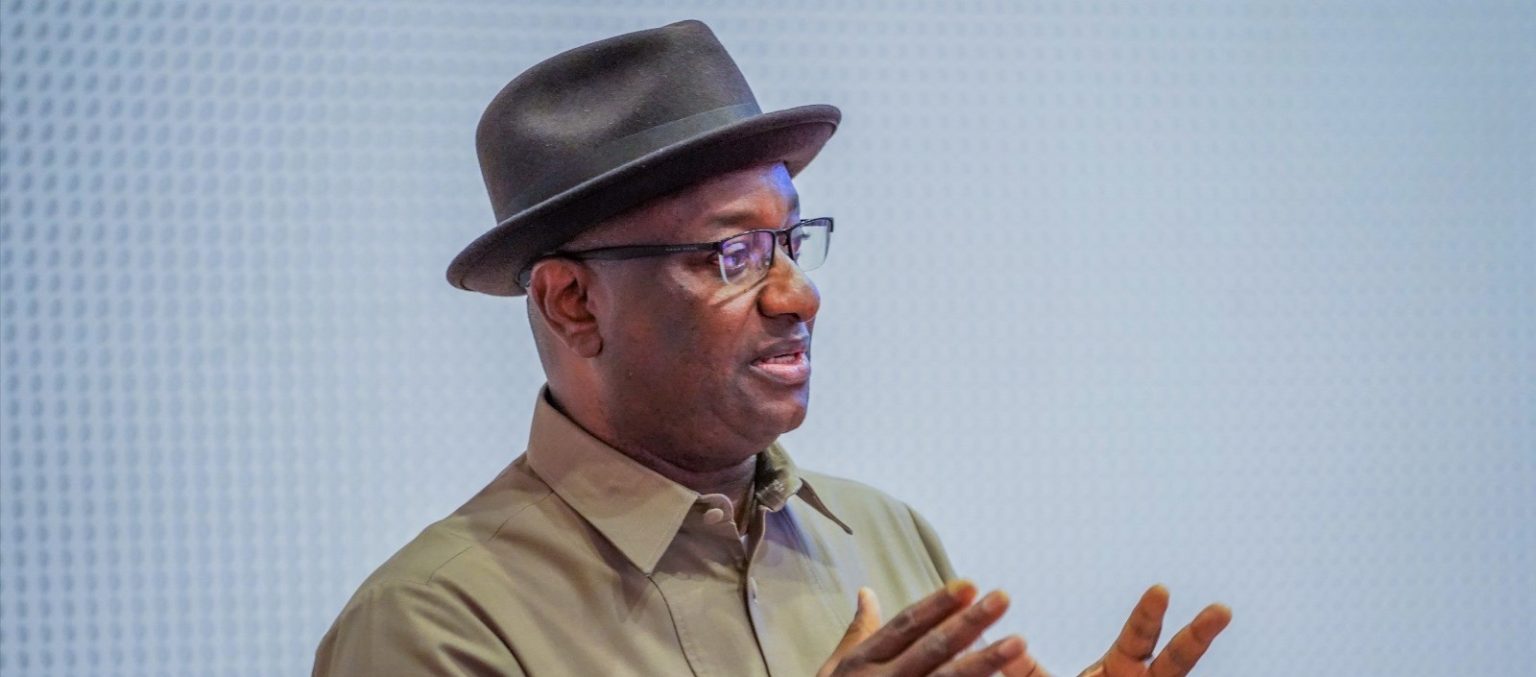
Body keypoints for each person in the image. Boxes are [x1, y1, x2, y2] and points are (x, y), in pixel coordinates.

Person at [312, 20, 1231, 677]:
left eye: (790, 241)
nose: (797, 294)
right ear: (573, 302)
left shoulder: (885, 534)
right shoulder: (433, 624)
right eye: (733, 253)